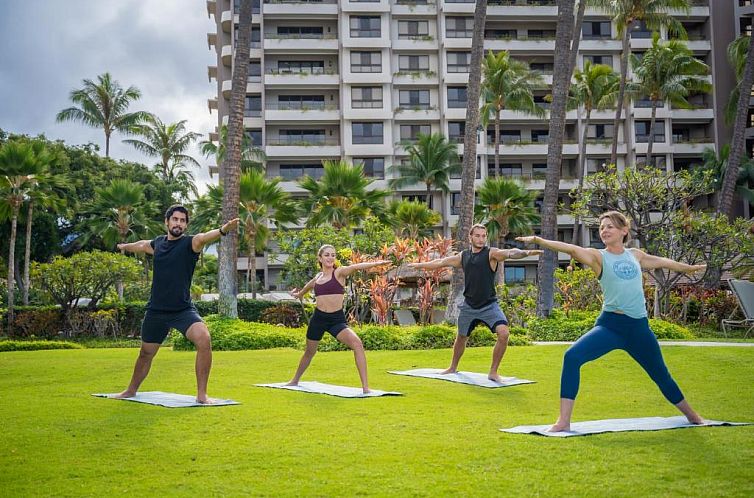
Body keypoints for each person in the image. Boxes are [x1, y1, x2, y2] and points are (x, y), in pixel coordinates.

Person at [516, 211, 705, 431]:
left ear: (624, 231)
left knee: (661, 374)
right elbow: (569, 248)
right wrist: (539, 240)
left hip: (638, 329)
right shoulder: (598, 257)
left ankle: (693, 416)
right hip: (611, 326)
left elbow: (664, 262)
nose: (604, 230)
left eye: (610, 227)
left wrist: (689, 268)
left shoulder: (635, 255)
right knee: (572, 357)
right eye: (602, 227)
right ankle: (563, 421)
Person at [115, 205, 239, 404]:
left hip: (182, 310)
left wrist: (223, 230)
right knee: (146, 353)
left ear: (186, 225)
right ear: (167, 222)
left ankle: (202, 394)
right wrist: (124, 247)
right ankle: (130, 390)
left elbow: (204, 236)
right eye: (175, 219)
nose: (178, 223)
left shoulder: (191, 244)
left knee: (204, 339)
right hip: (156, 310)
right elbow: (141, 245)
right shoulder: (158, 244)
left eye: (182, 220)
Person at [408, 224, 542, 382]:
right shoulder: (463, 256)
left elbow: (510, 253)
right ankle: (452, 367)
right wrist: (420, 265)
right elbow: (441, 262)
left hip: (489, 305)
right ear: (470, 237)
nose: (481, 239)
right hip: (469, 306)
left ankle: (493, 372)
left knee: (504, 334)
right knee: (461, 337)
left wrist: (527, 252)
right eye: (477, 235)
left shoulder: (491, 253)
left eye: (484, 236)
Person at [287, 245, 390, 393]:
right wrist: (300, 294)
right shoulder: (318, 277)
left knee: (357, 344)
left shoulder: (339, 273)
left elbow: (356, 266)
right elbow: (308, 286)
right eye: (327, 255)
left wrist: (375, 264)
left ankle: (365, 388)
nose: (330, 258)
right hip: (318, 319)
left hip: (336, 320)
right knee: (309, 352)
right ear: (320, 258)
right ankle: (295, 380)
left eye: (333, 255)